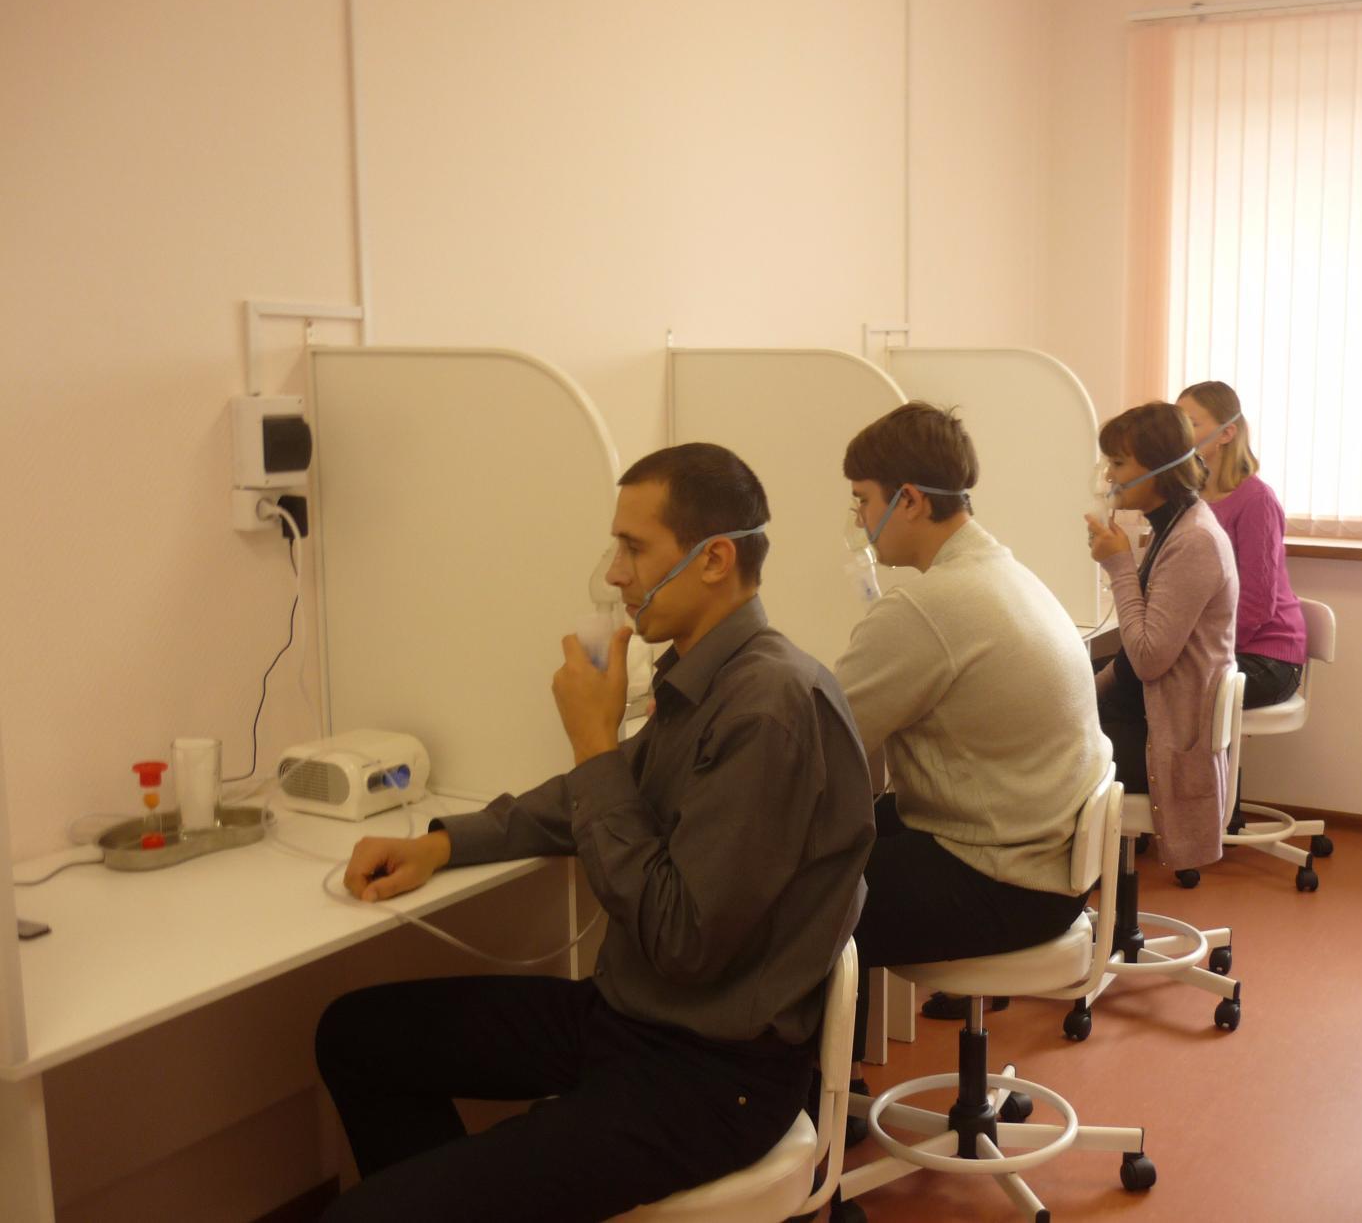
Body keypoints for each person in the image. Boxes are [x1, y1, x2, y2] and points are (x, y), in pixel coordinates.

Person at [314, 443, 875, 1221]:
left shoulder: (768, 709)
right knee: (356, 1034)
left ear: (714, 560)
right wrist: (442, 845)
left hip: (710, 1077)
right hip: (632, 1022)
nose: (614, 574)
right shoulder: (709, 679)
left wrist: (592, 741)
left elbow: (682, 942)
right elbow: (593, 796)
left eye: (634, 548)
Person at [836, 402, 1112, 1053]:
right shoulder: (1004, 572)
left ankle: (819, 1098)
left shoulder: (928, 607)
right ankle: (838, 1079)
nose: (859, 520)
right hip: (1052, 867)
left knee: (793, 894)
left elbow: (820, 736)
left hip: (1004, 882)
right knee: (849, 833)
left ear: (908, 500)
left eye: (863, 500)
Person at [1085, 402, 1238, 876]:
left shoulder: (1193, 541)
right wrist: (1088, 688)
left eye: (1118, 463)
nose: (1109, 476)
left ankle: (1061, 892)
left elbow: (1148, 658)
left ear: (1158, 467)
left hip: (1164, 739)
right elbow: (1133, 662)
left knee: (1039, 754)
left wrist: (1118, 566)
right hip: (1147, 714)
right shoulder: (1173, 527)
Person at [1177, 381, 1308, 709]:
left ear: (1226, 433)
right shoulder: (1188, 499)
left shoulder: (1256, 500)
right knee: (1101, 678)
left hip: (1267, 658)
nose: (1179, 435)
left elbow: (1256, 604)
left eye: (1191, 424)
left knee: (1145, 691)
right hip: (1216, 648)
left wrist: (1196, 650)